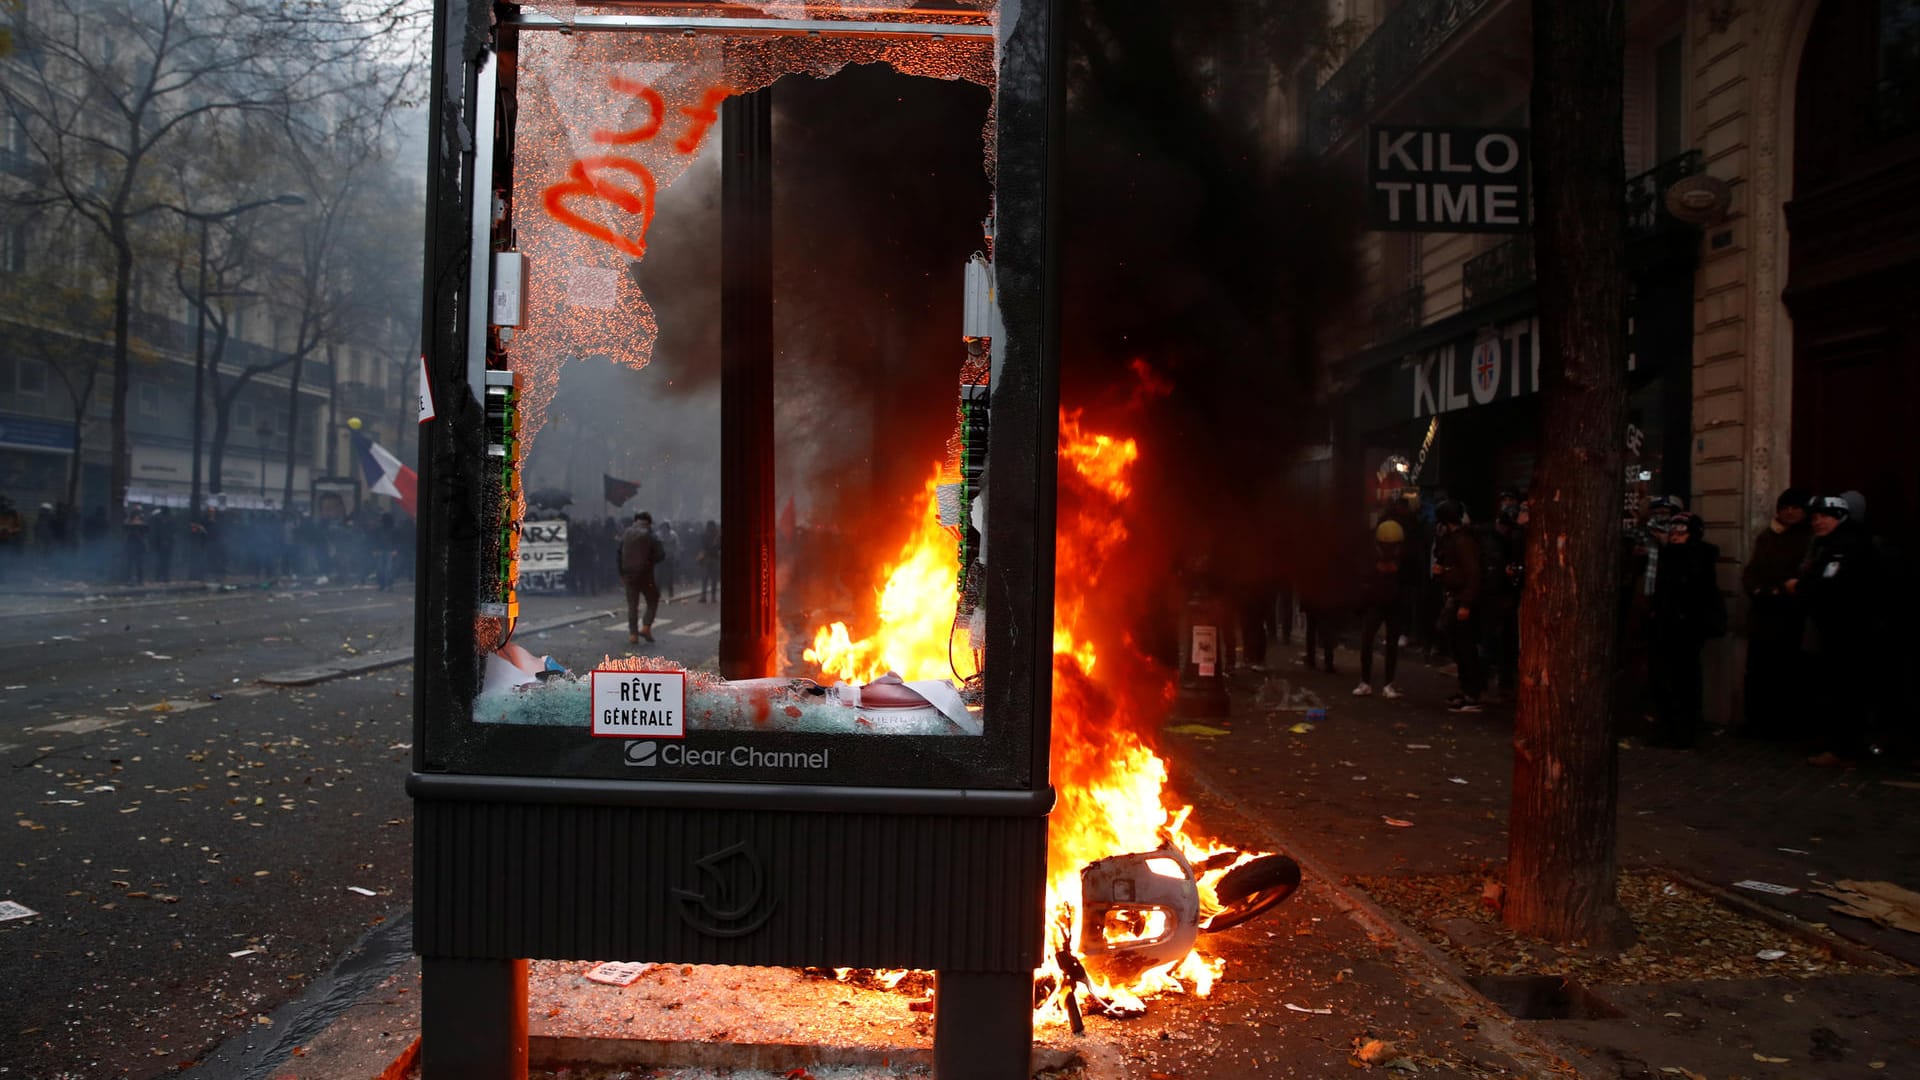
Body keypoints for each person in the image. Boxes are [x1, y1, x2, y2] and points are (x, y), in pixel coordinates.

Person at [1789, 495, 1882, 766]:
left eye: (1825, 516)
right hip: (1831, 629)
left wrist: (1800, 587)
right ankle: (1838, 744)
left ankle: (1845, 749)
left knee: (1846, 691)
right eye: (1815, 517)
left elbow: (1830, 585)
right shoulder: (1825, 544)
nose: (1818, 522)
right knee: (1834, 689)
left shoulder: (1848, 545)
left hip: (1849, 631)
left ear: (1840, 517)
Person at [1646, 512, 1726, 748]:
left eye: (1682, 532)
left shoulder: (1700, 557)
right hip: (1665, 626)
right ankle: (1667, 727)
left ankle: (1684, 730)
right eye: (1673, 532)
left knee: (1685, 680)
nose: (1676, 536)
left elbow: (1698, 590)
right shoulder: (1669, 555)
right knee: (1663, 679)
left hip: (1687, 628)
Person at [1739, 487, 1812, 739]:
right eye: (1785, 508)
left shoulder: (1809, 539)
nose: (1789, 512)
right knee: (1759, 671)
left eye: (1795, 508)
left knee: (1787, 673)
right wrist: (1760, 589)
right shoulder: (1767, 537)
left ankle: (1785, 725)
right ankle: (1757, 722)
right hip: (1763, 615)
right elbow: (1752, 571)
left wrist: (1781, 590)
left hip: (1790, 617)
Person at [1432, 499, 1486, 713]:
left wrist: (1466, 603)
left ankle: (1472, 694)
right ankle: (1466, 691)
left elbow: (1473, 574)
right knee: (1459, 647)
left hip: (1462, 600)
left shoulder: (1463, 542)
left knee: (1466, 648)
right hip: (1455, 597)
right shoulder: (1453, 540)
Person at [1353, 519, 1408, 699]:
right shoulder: (1372, 557)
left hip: (1392, 604)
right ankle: (1367, 682)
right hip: (1378, 603)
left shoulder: (1403, 558)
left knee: (1389, 644)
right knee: (1368, 641)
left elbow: (1409, 580)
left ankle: (1386, 683)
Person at [618, 511, 666, 644]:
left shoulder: (627, 533)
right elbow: (661, 554)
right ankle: (646, 627)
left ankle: (633, 634)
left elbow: (619, 553)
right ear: (649, 522)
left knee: (632, 605)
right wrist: (649, 562)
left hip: (629, 575)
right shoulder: (651, 535)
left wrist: (622, 573)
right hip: (646, 575)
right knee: (653, 599)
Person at [123, 507, 149, 585]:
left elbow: (146, 531)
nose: (138, 515)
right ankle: (128, 580)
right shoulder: (128, 522)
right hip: (131, 545)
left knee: (139, 564)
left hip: (139, 546)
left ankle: (139, 580)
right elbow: (125, 530)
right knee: (129, 564)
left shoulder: (142, 522)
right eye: (137, 513)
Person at [698, 520, 721, 603]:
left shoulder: (716, 536)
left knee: (710, 579)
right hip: (710, 558)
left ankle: (709, 597)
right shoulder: (715, 536)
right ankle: (707, 597)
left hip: (711, 558)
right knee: (707, 579)